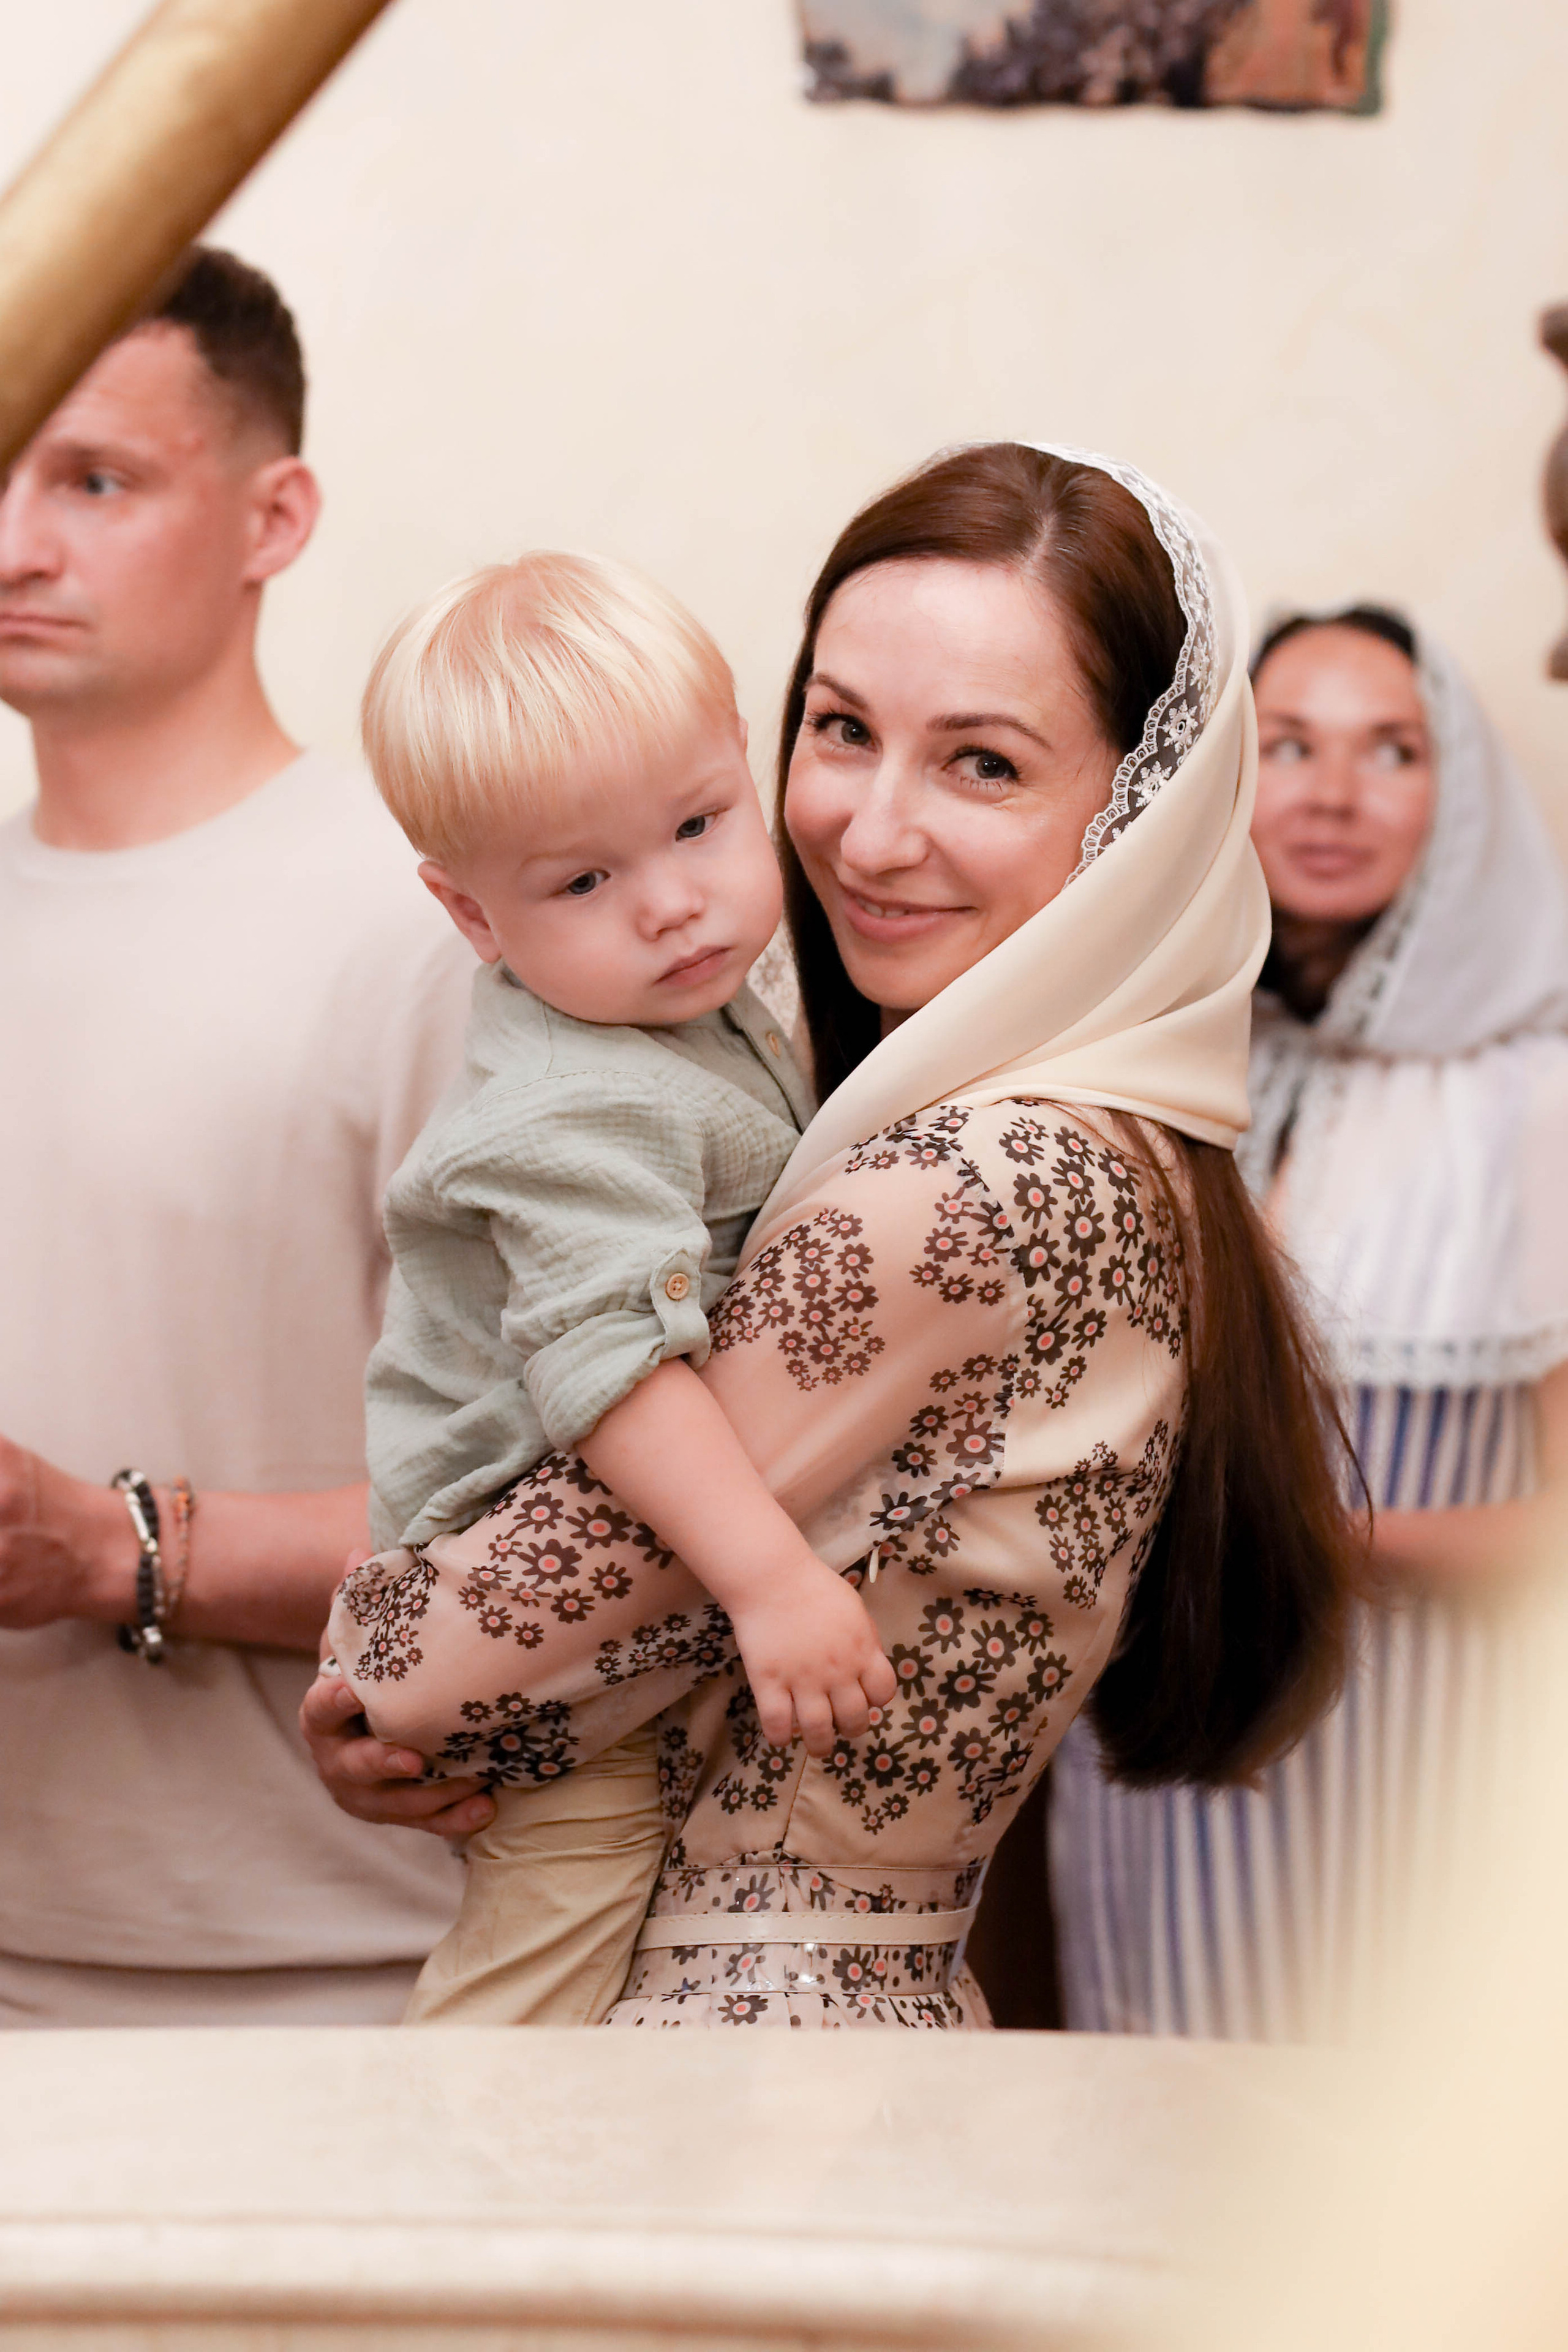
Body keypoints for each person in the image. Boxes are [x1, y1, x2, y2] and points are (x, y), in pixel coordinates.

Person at [304, 441, 1355, 2028]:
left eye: (983, 764)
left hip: (731, 2069)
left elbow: (437, 1676)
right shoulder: (1079, 1126)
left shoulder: (961, 1189)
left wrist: (368, 1673)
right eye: (844, 729)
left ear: (1139, 817)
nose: (866, 835)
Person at [0, 246, 474, 2025]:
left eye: (95, 480)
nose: (18, 543)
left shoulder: (436, 920)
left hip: (329, 1974)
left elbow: (600, 1503)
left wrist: (117, 1545)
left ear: (276, 517)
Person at [328, 549, 889, 2025]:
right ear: (471, 916)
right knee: (544, 1969)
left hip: (633, 1562)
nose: (671, 905)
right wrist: (770, 1583)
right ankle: (437, 2237)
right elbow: (610, 1376)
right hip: (508, 1579)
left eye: (701, 824)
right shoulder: (566, 1106)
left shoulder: (684, 1006)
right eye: (583, 880)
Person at [1048, 606, 1568, 2040]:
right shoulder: (1160, 1071)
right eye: (1285, 747)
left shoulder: (1535, 1096)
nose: (1332, 793)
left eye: (1390, 751)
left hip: (1416, 1773)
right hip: (1157, 1769)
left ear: (1454, 803)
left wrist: (1306, 1540)